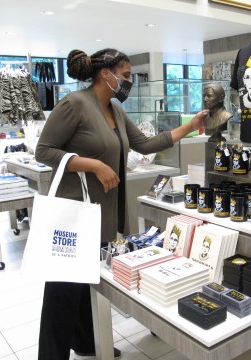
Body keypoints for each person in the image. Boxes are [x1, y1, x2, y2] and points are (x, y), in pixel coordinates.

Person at [35, 48, 208, 360]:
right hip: (75, 215)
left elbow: (145, 144)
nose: (129, 82)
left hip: (104, 212)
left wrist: (190, 126)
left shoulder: (114, 108)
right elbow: (44, 151)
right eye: (126, 76)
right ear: (106, 74)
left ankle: (87, 342)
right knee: (62, 291)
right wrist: (93, 164)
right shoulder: (75, 104)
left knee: (88, 280)